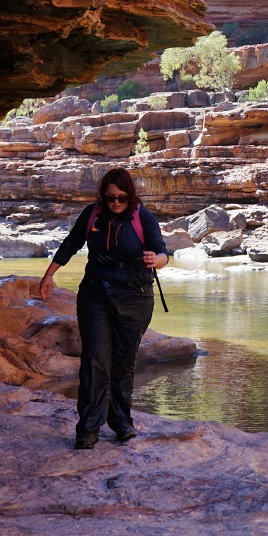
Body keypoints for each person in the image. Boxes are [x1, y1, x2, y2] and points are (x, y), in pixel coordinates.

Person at [38, 167, 169, 449]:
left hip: (134, 297)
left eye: (122, 198)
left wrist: (156, 260)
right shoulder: (93, 214)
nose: (117, 203)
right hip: (96, 292)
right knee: (96, 359)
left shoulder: (142, 217)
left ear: (131, 197)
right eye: (111, 198)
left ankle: (121, 422)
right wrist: (49, 274)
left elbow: (162, 252)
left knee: (123, 362)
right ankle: (88, 429)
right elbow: (71, 244)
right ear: (103, 197)